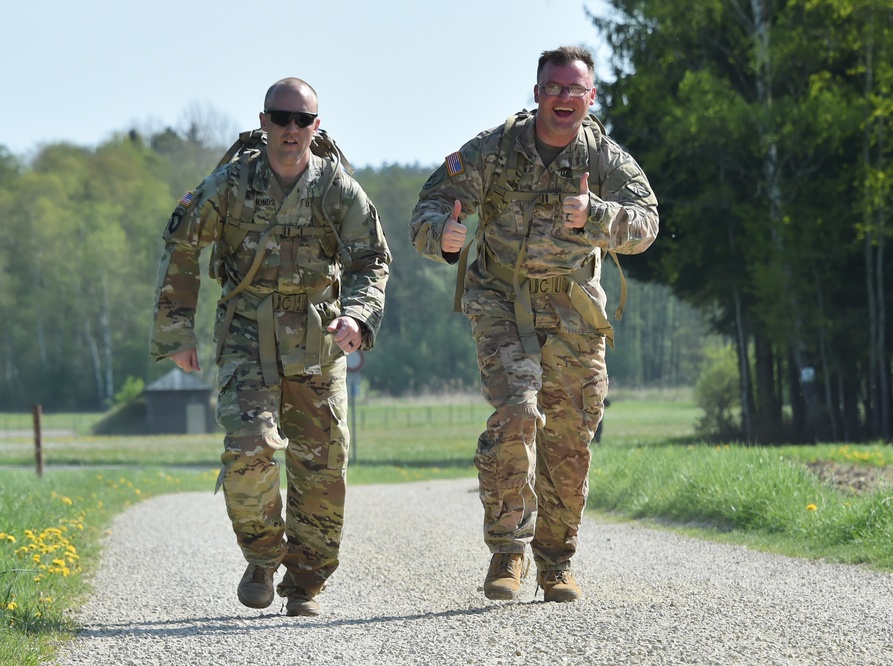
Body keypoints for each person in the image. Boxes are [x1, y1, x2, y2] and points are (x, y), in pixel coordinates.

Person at [409, 46, 658, 602]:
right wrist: (442, 238)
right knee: (519, 411)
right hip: (502, 301)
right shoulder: (497, 149)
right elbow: (431, 202)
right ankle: (507, 552)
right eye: (554, 87)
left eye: (576, 90)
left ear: (591, 98)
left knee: (570, 437)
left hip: (573, 312)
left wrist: (598, 217)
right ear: (537, 90)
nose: (564, 98)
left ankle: (556, 563)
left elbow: (647, 225)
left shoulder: (606, 158)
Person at [150, 78, 391, 617]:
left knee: (322, 468)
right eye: (280, 118)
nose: (290, 129)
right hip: (245, 337)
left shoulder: (337, 189)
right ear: (263, 122)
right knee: (250, 448)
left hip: (318, 341)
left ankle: (305, 581)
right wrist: (176, 331)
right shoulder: (230, 185)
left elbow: (371, 260)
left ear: (316, 127)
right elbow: (183, 242)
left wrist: (357, 316)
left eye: (302, 120)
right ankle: (261, 557)